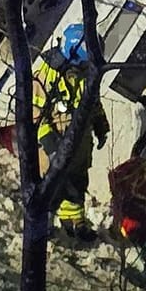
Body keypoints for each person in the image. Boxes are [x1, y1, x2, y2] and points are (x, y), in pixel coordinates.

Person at [32, 23, 108, 242]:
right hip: (53, 145)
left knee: (77, 184)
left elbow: (94, 101)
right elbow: (34, 115)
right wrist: (50, 144)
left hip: (80, 144)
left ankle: (75, 223)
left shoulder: (86, 74)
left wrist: (101, 126)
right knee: (51, 187)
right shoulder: (45, 77)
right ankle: (42, 226)